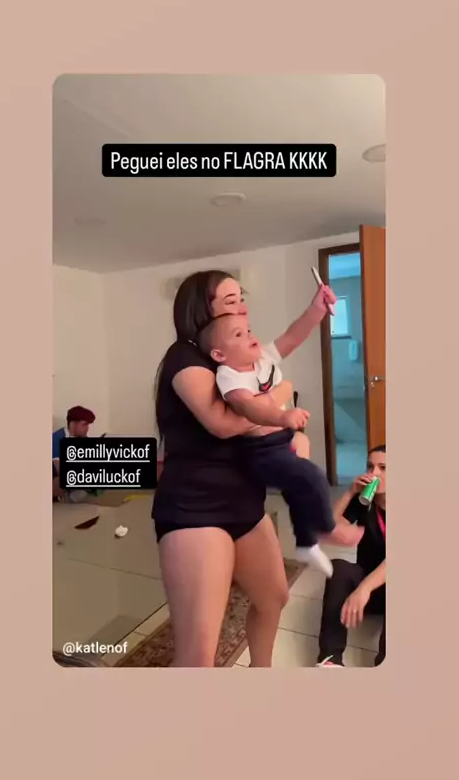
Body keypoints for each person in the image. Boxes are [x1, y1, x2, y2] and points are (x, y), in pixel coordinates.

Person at [152, 269, 336, 667]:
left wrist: (315, 311)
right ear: (201, 312)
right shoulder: (186, 357)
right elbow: (221, 423)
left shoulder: (244, 355)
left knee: (273, 598)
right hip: (196, 509)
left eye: (242, 298)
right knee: (199, 654)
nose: (241, 308)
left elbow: (287, 342)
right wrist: (282, 394)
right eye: (229, 301)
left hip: (245, 502)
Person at [198, 314, 363, 575]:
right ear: (219, 354)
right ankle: (327, 527)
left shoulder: (263, 358)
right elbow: (248, 407)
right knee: (312, 477)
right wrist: (282, 417)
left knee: (297, 490)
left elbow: (292, 337)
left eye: (248, 330)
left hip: (282, 440)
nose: (250, 336)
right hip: (260, 451)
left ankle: (306, 544)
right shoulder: (228, 375)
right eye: (238, 335)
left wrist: (316, 309)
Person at [316, 445, 386, 667]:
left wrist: (364, 588)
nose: (374, 473)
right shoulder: (365, 500)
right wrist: (350, 493)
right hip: (368, 588)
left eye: (383, 468)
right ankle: (330, 659)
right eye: (370, 466)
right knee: (338, 568)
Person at [52, 405, 96, 503]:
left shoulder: (82, 438)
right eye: (84, 425)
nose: (87, 429)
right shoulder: (56, 438)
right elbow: (60, 469)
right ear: (72, 424)